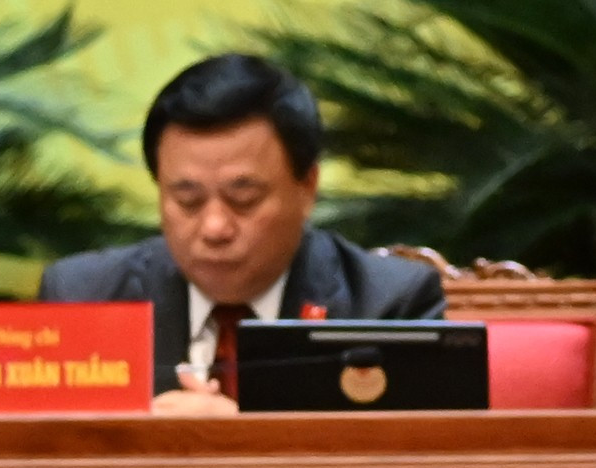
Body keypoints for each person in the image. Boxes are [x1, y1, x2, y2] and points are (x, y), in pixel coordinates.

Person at [38, 54, 445, 415]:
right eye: (188, 200)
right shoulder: (84, 299)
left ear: (307, 187)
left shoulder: (387, 306)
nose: (215, 228)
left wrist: (239, 438)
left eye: (244, 198)